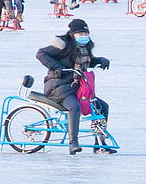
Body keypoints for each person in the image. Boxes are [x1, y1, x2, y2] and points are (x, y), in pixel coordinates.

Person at [36, 20, 111, 153]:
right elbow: (41, 54)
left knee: (102, 107)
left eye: (86, 33)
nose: (84, 36)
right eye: (80, 33)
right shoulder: (62, 46)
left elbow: (88, 62)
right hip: (58, 87)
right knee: (74, 107)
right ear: (72, 34)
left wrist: (100, 61)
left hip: (77, 87)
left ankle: (99, 142)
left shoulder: (85, 48)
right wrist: (57, 67)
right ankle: (73, 143)